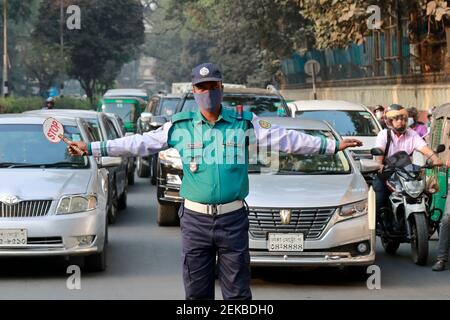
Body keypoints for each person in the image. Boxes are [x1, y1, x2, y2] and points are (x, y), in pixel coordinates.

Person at [67, 63, 362, 300]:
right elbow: (138, 143)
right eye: (201, 87)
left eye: (213, 86)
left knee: (237, 293)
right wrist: (92, 148)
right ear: (194, 91)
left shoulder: (244, 123)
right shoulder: (179, 127)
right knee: (197, 291)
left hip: (233, 218)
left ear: (221, 88)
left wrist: (332, 146)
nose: (208, 92)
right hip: (195, 220)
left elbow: (287, 139)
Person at [373, 104, 442, 215]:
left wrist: (435, 159)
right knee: (379, 199)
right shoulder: (383, 135)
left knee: (427, 194)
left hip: (407, 174)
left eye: (403, 118)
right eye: (396, 119)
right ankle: (381, 226)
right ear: (389, 121)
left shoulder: (412, 134)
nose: (400, 121)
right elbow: (379, 151)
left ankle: (426, 221)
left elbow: (424, 148)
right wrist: (379, 164)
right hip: (386, 173)